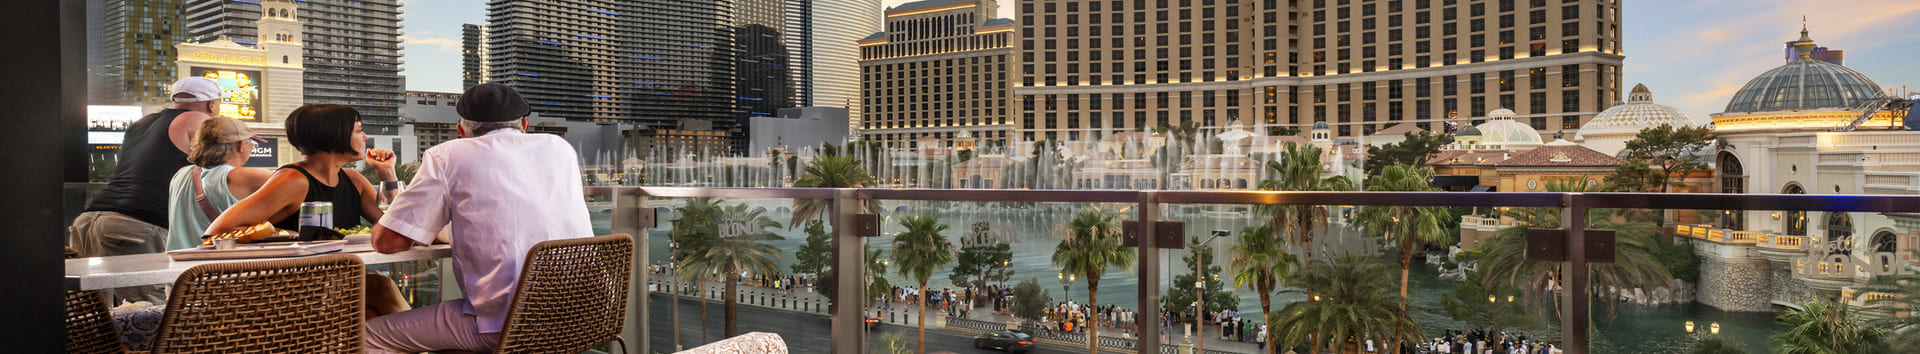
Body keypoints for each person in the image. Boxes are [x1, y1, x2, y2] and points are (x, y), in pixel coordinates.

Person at [362, 84, 592, 354]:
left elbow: (387, 243)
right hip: (586, 315)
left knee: (364, 337)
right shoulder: (559, 148)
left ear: (462, 131)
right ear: (525, 125)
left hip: (507, 324)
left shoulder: (447, 155)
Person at [70, 77, 222, 303]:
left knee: (100, 315)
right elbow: (220, 171)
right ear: (212, 104)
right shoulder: (200, 119)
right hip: (135, 228)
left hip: (90, 222)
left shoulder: (142, 123)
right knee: (148, 314)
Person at [204, 103, 397, 236]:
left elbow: (397, 224)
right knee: (380, 285)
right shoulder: (293, 180)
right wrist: (290, 235)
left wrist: (387, 173)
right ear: (334, 136)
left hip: (338, 274)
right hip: (296, 282)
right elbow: (219, 229)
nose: (364, 137)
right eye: (358, 130)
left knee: (379, 284)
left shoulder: (354, 180)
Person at [165, 116, 273, 250]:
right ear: (240, 145)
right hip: (214, 266)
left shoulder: (180, 174)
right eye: (250, 143)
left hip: (177, 263)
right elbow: (293, 181)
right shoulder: (242, 177)